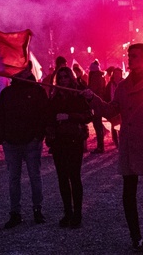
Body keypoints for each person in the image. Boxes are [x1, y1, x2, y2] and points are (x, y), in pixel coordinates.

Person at [83, 43, 143, 252]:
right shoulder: (123, 87)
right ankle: (136, 237)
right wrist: (94, 99)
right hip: (129, 145)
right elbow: (112, 111)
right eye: (129, 56)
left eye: (134, 56)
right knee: (129, 193)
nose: (130, 59)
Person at [0, 64, 50, 229]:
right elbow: (0, 116)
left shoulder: (37, 91)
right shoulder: (7, 93)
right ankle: (15, 212)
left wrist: (38, 136)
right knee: (14, 179)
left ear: (28, 71)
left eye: (23, 69)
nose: (20, 72)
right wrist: (2, 138)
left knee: (35, 177)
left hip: (31, 141)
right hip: (11, 142)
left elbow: (44, 114)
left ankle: (37, 209)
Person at [47, 66, 92, 228]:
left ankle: (77, 214)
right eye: (60, 78)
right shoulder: (54, 98)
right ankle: (67, 213)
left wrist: (69, 116)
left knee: (74, 176)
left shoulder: (78, 94)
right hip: (59, 143)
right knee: (62, 179)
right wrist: (50, 134)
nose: (63, 80)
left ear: (70, 78)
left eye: (66, 77)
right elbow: (49, 118)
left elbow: (88, 115)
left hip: (74, 140)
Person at [87, 60, 108, 154]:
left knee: (97, 124)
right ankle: (101, 145)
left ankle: (100, 147)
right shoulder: (101, 76)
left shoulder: (95, 77)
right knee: (98, 124)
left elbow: (93, 90)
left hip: (95, 103)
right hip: (99, 102)